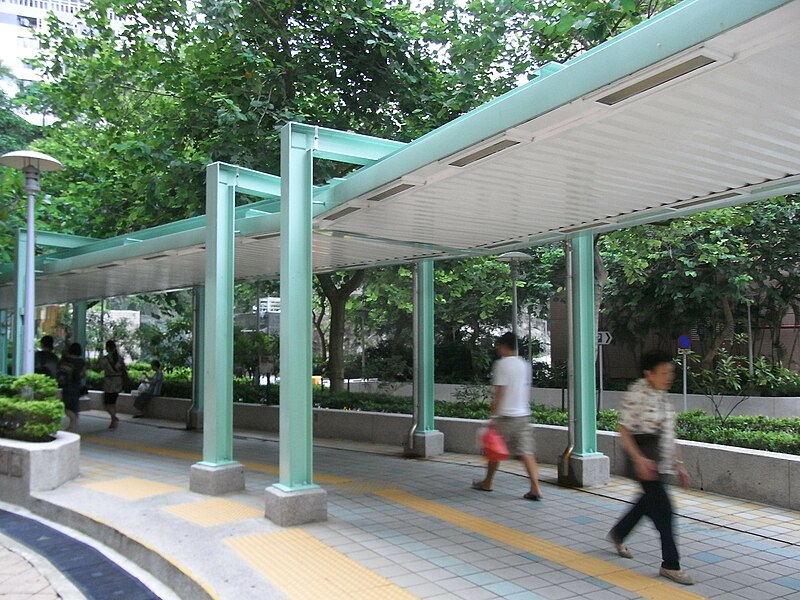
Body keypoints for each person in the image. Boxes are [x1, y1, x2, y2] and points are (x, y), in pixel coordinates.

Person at [607, 350, 694, 586]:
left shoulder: (662, 396)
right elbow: (624, 430)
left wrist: (679, 464)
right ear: (649, 373)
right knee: (664, 511)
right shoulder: (638, 393)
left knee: (646, 504)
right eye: (664, 373)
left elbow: (669, 434)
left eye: (671, 372)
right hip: (644, 458)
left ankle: (619, 533)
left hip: (660, 461)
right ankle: (671, 565)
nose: (669, 377)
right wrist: (638, 460)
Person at [472, 331, 542, 500]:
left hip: (505, 416)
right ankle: (535, 488)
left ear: (504, 346)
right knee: (526, 452)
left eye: (499, 346)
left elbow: (499, 392)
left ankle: (487, 482)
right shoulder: (524, 364)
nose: (497, 349)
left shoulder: (502, 365)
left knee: (494, 450)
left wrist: (493, 416)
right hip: (523, 415)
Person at [93, 340, 127, 429]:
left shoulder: (104, 359)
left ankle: (114, 418)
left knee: (106, 404)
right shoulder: (120, 358)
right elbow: (124, 370)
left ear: (107, 348)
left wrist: (90, 366)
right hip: (118, 383)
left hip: (109, 383)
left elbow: (98, 369)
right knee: (112, 403)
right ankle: (113, 420)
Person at [57, 343, 86, 432]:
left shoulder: (65, 360)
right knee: (74, 406)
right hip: (77, 386)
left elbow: (59, 372)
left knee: (66, 407)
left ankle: (73, 423)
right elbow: (84, 374)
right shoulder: (82, 362)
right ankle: (73, 425)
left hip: (67, 386)